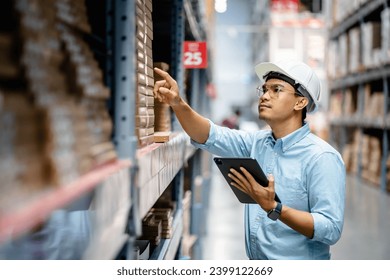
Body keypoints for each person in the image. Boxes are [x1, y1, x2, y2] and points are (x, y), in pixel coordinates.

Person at [153, 60, 346, 260]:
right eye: (263, 90)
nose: (264, 96)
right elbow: (209, 135)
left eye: (276, 89)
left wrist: (275, 208)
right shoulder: (258, 143)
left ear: (300, 102)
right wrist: (177, 103)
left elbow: (330, 229)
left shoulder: (322, 158)